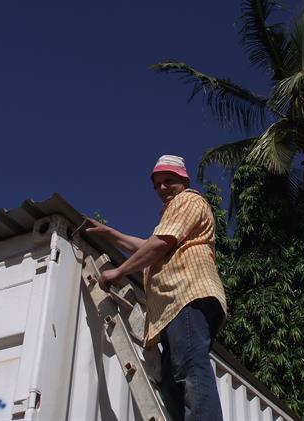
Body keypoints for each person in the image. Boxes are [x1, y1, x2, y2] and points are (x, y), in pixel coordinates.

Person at [86, 154, 227, 421]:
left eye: (168, 181)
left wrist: (119, 271)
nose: (162, 188)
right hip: (173, 306)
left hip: (186, 294)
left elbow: (160, 244)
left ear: (184, 180)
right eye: (157, 184)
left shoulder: (189, 200)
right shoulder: (172, 215)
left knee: (189, 366)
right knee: (172, 383)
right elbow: (149, 244)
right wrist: (110, 233)